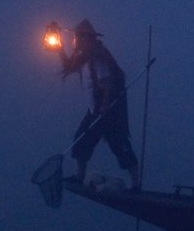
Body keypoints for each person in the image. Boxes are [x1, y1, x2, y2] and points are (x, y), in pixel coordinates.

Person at [59, 20, 139, 187]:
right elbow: (69, 66)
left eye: (77, 37)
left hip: (108, 110)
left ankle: (136, 183)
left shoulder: (98, 55)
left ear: (85, 38)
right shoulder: (83, 57)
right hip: (94, 108)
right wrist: (59, 49)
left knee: (120, 145)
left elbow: (107, 82)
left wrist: (104, 105)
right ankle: (79, 177)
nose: (75, 41)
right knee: (80, 141)